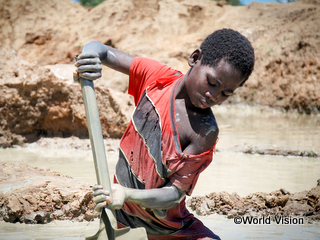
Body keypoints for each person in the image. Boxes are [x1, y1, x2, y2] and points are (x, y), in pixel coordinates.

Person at [74, 28, 255, 239]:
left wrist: (126, 194)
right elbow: (101, 50)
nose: (213, 95)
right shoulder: (158, 79)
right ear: (195, 59)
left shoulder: (205, 131)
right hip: (120, 218)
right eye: (212, 83)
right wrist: (91, 56)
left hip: (169, 228)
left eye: (226, 93)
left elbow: (173, 195)